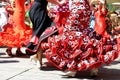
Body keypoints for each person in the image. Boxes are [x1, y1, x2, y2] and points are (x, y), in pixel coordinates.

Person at [40, 0, 119, 77]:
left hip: (78, 8)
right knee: (85, 34)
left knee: (72, 35)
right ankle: (93, 68)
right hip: (85, 8)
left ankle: (72, 69)